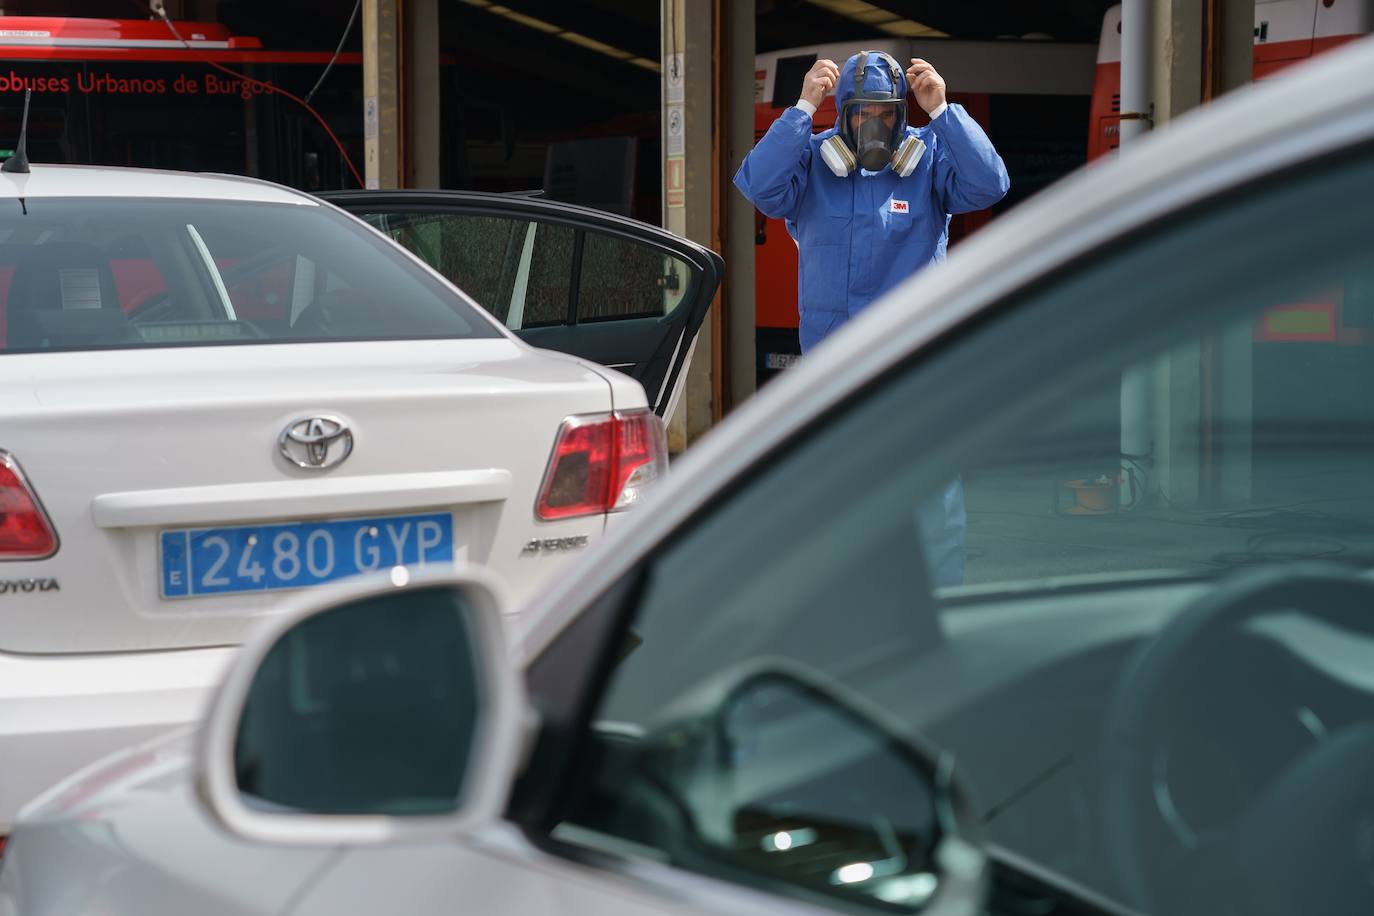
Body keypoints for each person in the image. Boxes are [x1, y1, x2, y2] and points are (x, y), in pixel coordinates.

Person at [734, 51, 1010, 587]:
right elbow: (759, 186)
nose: (874, 124)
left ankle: (938, 609)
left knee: (930, 501)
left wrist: (943, 111)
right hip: (835, 373)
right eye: (861, 113)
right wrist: (800, 107)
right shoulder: (814, 163)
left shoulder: (928, 160)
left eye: (885, 112)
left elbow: (989, 184)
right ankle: (847, 615)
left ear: (900, 115)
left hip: (916, 369)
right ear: (841, 116)